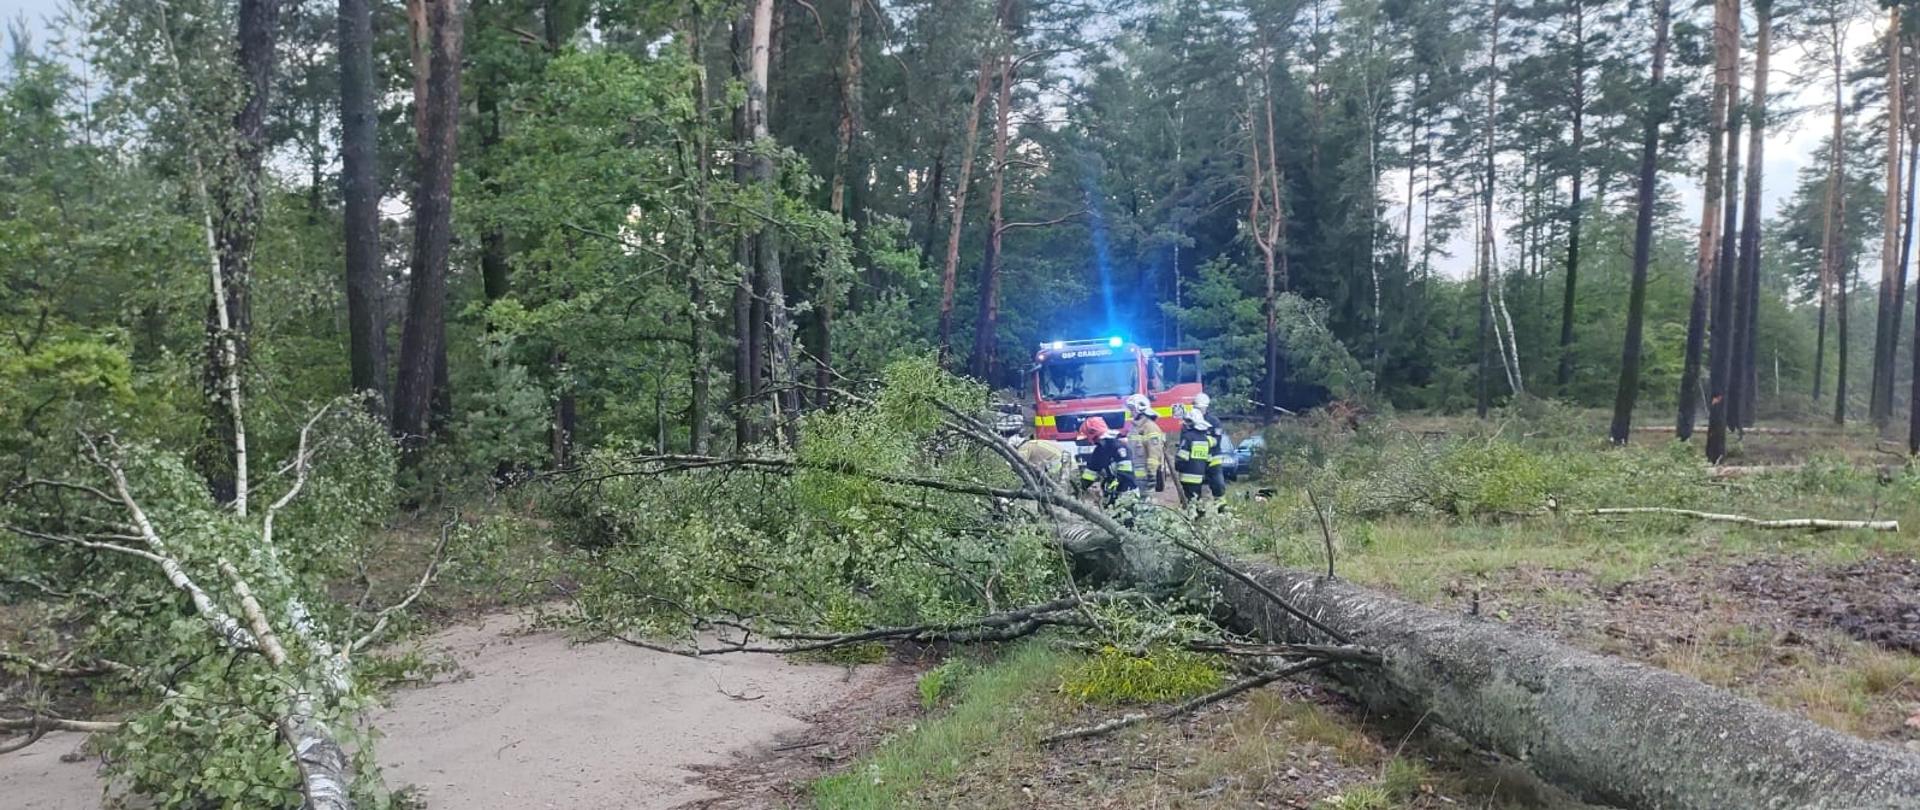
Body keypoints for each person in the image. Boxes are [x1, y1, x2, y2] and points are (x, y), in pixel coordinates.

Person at [1075, 417, 1136, 504]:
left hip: (1129, 490)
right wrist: (1082, 487)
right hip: (1113, 490)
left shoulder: (1119, 446)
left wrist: (1111, 487)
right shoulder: (1099, 450)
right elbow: (1092, 470)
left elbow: (1126, 473)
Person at [1123, 393, 1165, 492]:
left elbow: (1154, 453)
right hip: (1134, 477)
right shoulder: (1134, 427)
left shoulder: (1150, 427)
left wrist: (1152, 474)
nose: (1131, 412)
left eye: (1132, 409)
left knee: (1146, 504)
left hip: (1146, 477)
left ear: (1140, 409)